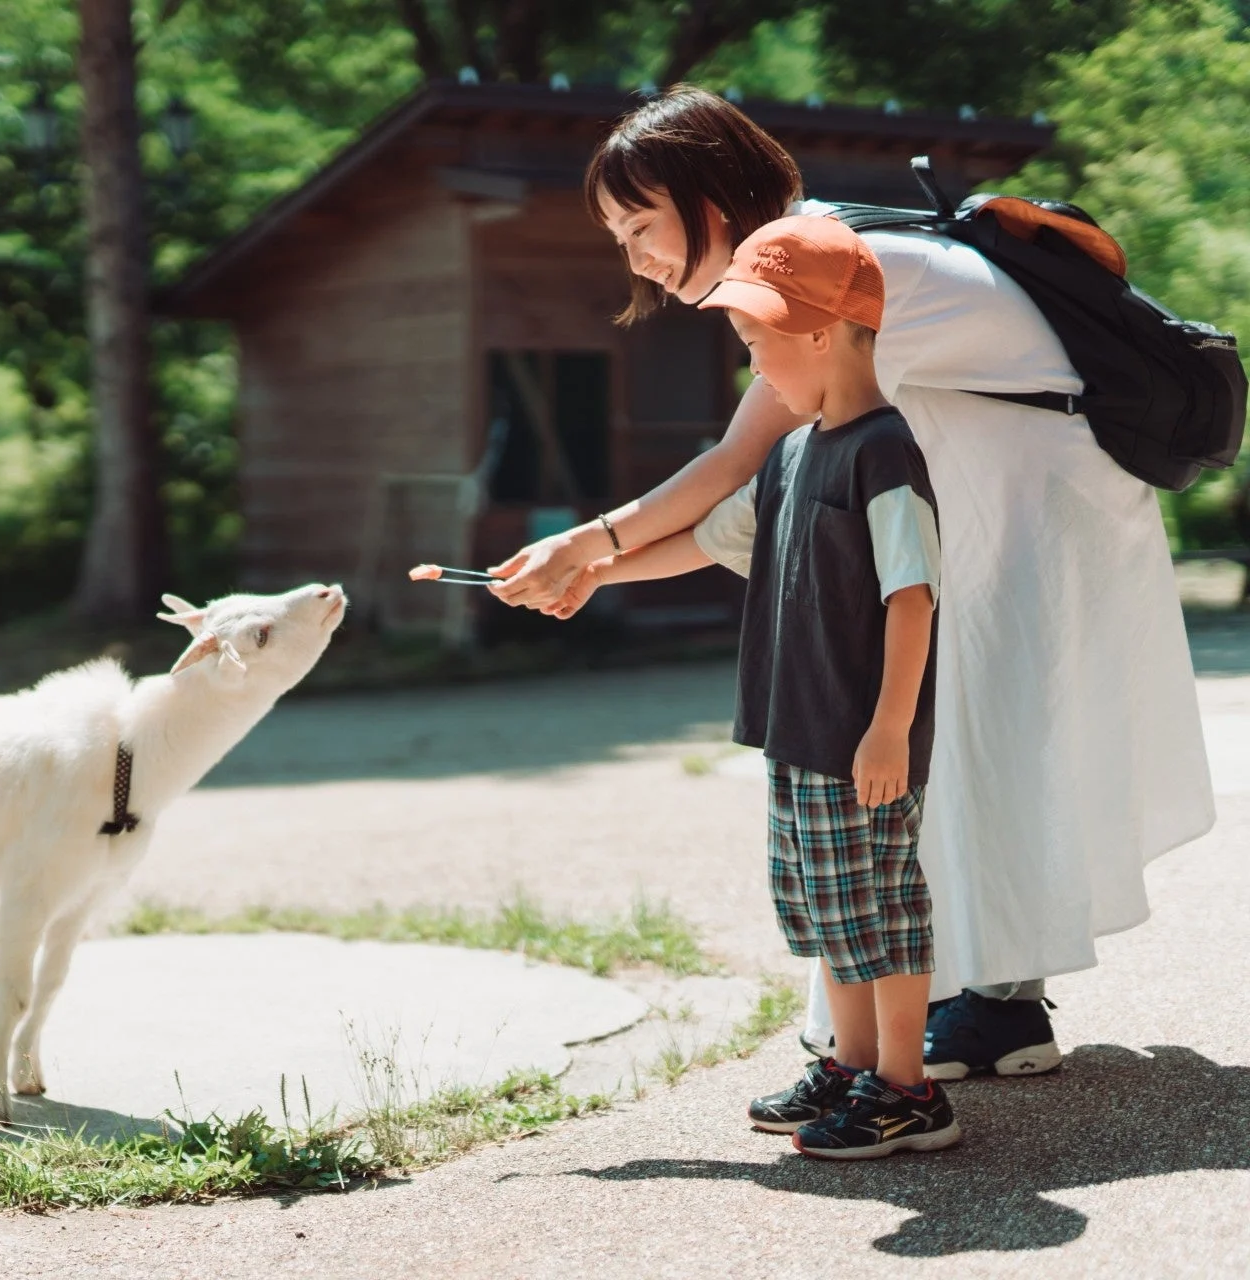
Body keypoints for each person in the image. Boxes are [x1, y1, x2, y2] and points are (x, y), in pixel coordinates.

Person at [491, 86, 1214, 1079]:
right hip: (1004, 480)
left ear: (711, 192)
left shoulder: (825, 265)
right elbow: (751, 514)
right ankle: (968, 1002)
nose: (636, 259)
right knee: (951, 744)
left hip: (1038, 496)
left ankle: (994, 1006)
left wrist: (587, 543)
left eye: (641, 224)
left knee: (973, 740)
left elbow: (734, 464)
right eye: (618, 234)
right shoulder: (809, 282)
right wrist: (592, 563)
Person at [584, 214, 956, 1157]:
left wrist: (889, 728)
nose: (753, 367)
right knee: (827, 907)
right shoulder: (792, 456)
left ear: (823, 333)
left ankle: (907, 1089)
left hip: (859, 738)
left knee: (880, 906)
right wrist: (585, 570)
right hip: (798, 730)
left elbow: (913, 598)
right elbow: (716, 543)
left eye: (759, 344)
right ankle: (854, 1066)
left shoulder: (885, 453)